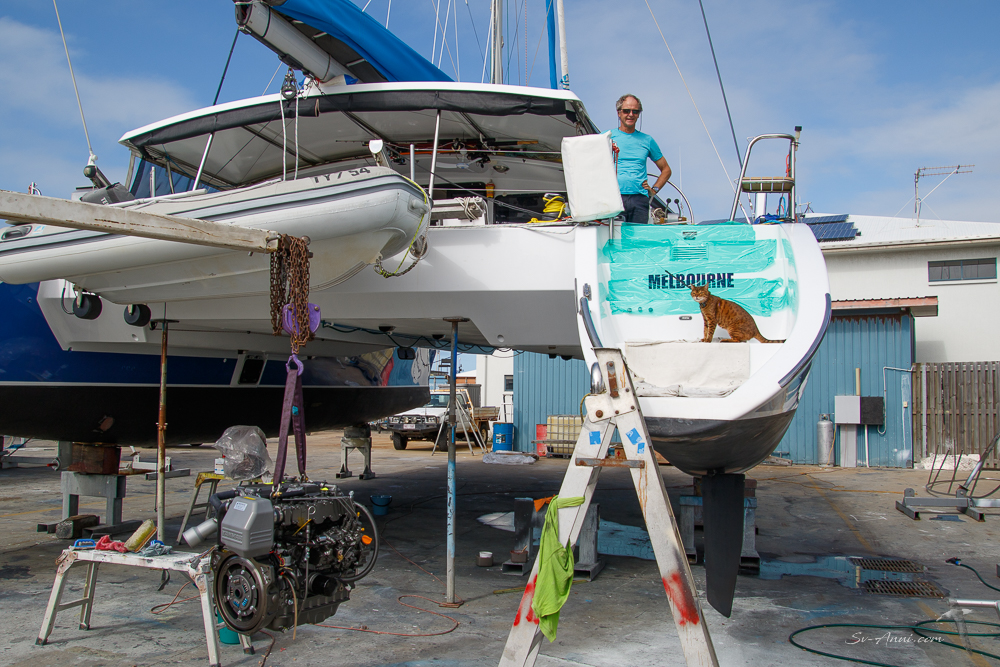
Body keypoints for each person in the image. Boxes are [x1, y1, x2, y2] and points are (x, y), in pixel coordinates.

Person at [610, 94, 672, 223]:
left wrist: (654, 190)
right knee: (612, 235)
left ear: (639, 114)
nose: (631, 115)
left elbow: (666, 170)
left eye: (635, 111)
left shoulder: (647, 140)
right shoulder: (607, 137)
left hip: (639, 200)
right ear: (619, 113)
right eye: (626, 111)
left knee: (638, 236)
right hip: (613, 197)